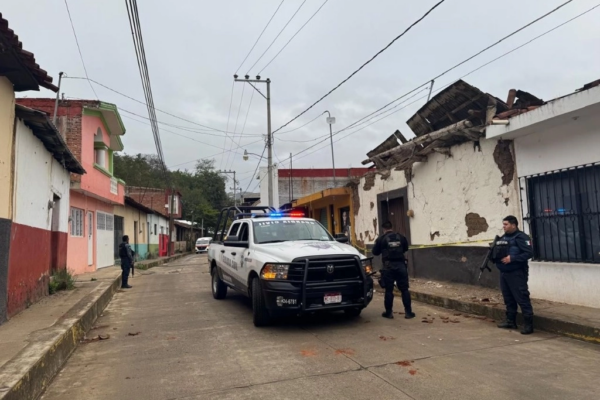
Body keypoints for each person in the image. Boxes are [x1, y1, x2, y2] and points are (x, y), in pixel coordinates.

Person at [495, 215, 534, 334]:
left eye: (506, 224)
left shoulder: (522, 237)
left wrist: (513, 258)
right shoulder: (503, 237)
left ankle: (529, 325)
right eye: (503, 224)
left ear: (513, 225)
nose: (504, 227)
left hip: (517, 272)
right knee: (508, 298)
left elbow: (529, 253)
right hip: (504, 272)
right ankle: (510, 321)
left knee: (522, 297)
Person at [372, 221, 415, 319]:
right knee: (404, 290)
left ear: (383, 229)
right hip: (401, 265)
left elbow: (375, 252)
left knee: (388, 290)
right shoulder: (401, 237)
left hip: (388, 267)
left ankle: (389, 313)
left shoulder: (381, 239)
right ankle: (408, 313)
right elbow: (405, 249)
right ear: (392, 227)